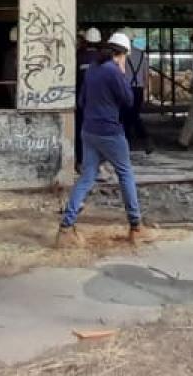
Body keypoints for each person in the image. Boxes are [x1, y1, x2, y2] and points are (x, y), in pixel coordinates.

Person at [57, 31, 144, 245]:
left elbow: (82, 101)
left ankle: (66, 227)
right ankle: (136, 227)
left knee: (87, 176)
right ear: (122, 54)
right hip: (110, 131)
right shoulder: (113, 71)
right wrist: (122, 74)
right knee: (125, 173)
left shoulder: (94, 68)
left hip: (88, 130)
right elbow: (128, 100)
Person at [73, 27, 103, 164]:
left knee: (81, 130)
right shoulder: (103, 59)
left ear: (85, 41)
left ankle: (81, 160)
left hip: (82, 100)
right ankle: (96, 161)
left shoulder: (79, 56)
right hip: (100, 102)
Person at [122, 31, 150, 151]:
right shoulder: (141, 54)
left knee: (126, 115)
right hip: (138, 89)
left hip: (126, 88)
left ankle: (129, 139)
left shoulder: (122, 55)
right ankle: (144, 138)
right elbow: (146, 75)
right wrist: (145, 90)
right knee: (134, 114)